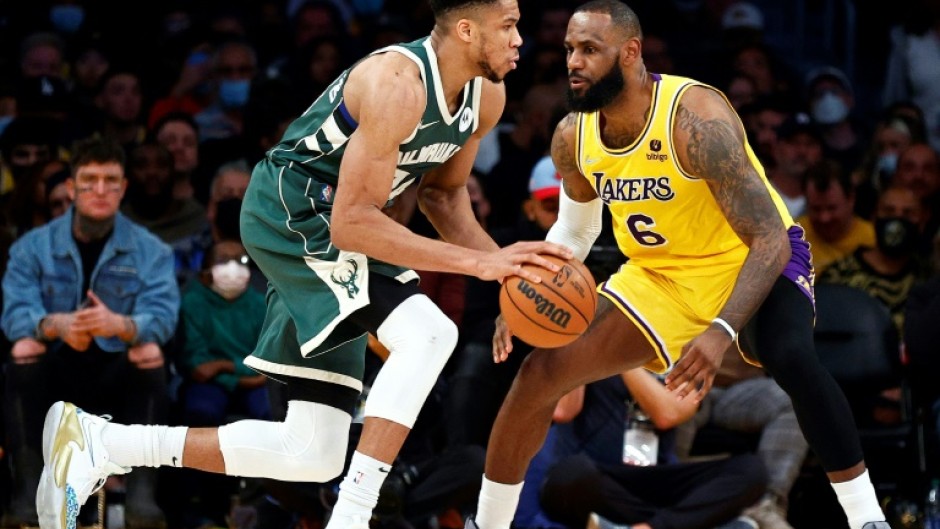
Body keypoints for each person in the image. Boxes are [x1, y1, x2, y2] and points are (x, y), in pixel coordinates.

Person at [37, 4, 572, 529]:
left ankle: (102, 443)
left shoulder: (488, 95)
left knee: (310, 451)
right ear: (465, 30)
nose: (520, 38)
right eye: (508, 26)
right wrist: (479, 262)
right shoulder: (396, 82)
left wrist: (505, 272)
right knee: (428, 332)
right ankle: (353, 516)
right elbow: (351, 226)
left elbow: (443, 196)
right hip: (292, 211)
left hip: (340, 224)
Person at [470, 3, 889, 529]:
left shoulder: (696, 119)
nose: (574, 62)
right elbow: (576, 231)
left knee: (790, 356)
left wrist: (718, 334)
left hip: (749, 257)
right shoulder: (572, 137)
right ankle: (486, 524)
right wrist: (530, 285)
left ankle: (867, 517)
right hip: (660, 275)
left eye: (589, 50)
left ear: (630, 53)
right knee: (539, 374)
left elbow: (767, 240)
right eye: (569, 49)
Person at [2, 136, 179, 529]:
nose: (100, 190)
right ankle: (26, 493)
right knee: (24, 348)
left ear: (123, 188)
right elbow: (13, 315)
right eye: (90, 180)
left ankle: (142, 500)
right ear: (71, 187)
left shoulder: (151, 249)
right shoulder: (32, 248)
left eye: (110, 181)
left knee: (149, 352)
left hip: (116, 373)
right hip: (56, 372)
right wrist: (55, 325)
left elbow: (164, 316)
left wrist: (123, 325)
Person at [535, 369, 767, 529]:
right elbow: (564, 411)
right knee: (569, 475)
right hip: (598, 477)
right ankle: (693, 524)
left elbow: (668, 414)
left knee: (751, 470)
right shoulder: (597, 340)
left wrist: (625, 357)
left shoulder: (690, 351)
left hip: (655, 478)